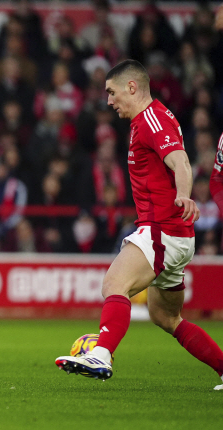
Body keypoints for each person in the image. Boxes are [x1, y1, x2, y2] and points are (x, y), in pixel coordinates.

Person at [55, 60, 223, 391]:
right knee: (167, 318)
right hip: (176, 236)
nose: (108, 100)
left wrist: (185, 196)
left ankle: (101, 353)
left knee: (113, 284)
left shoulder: (151, 120)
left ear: (132, 87)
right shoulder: (148, 120)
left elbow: (181, 162)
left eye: (111, 92)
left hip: (162, 228)